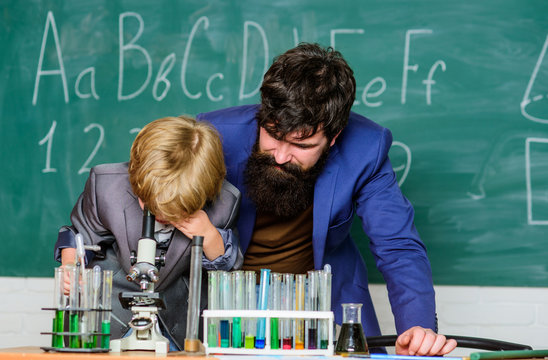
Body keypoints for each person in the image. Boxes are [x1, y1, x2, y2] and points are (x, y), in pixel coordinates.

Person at [197, 43, 457, 355]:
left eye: (301, 145)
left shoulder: (366, 148)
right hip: (221, 309)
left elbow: (398, 246)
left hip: (319, 313)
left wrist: (419, 328)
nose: (280, 156)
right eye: (272, 135)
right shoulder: (212, 134)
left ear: (333, 137)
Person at [53, 116, 242, 350]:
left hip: (178, 326)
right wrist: (71, 266)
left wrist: (208, 234)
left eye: (176, 212)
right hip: (111, 319)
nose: (162, 218)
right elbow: (79, 236)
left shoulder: (225, 203)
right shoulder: (106, 186)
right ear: (134, 177)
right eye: (149, 205)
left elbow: (227, 267)